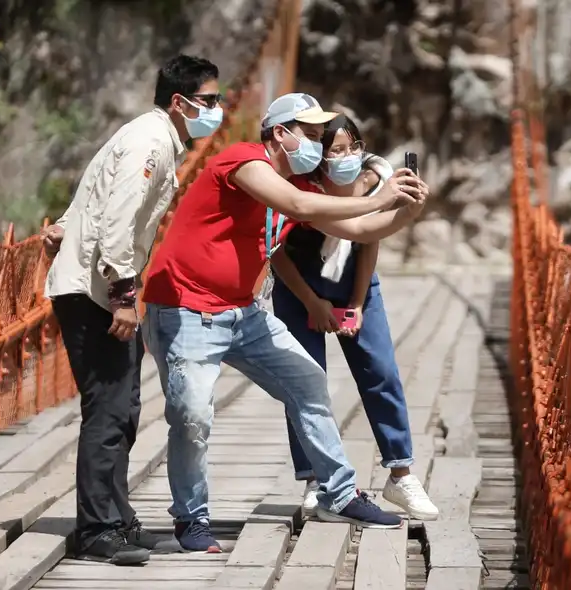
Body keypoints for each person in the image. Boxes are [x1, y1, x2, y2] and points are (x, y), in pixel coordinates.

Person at [140, 93, 430, 553]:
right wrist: (384, 195)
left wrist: (406, 210)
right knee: (193, 417)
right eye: (312, 136)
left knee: (309, 383)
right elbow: (300, 206)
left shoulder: (297, 186)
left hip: (243, 312)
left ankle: (338, 492)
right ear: (281, 133)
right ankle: (191, 519)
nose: (318, 146)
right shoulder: (243, 161)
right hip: (186, 310)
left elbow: (355, 231)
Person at [41, 54, 224, 566]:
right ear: (179, 102)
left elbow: (95, 197)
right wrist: (125, 297)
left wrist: (63, 225)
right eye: (208, 101)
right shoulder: (151, 142)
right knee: (108, 410)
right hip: (98, 292)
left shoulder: (152, 135)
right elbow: (119, 221)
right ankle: (98, 529)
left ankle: (118, 519)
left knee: (124, 411)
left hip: (100, 285)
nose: (217, 110)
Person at [270, 115, 439, 521]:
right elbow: (276, 252)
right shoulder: (299, 188)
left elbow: (367, 240)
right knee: (305, 383)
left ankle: (400, 473)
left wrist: (359, 303)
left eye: (352, 147)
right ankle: (316, 479)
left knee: (381, 370)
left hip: (354, 283)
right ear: (320, 156)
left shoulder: (379, 181)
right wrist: (312, 302)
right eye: (335, 150)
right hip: (299, 285)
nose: (346, 157)